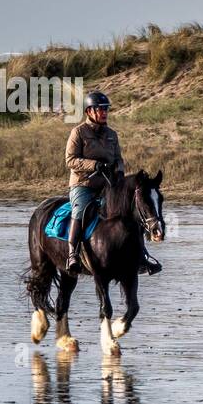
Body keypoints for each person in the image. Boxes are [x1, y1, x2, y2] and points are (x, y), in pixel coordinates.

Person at [63, 91, 161, 276]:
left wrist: (118, 170)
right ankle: (72, 254)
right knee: (81, 210)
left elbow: (119, 159)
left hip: (108, 185)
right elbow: (70, 160)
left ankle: (142, 255)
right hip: (83, 184)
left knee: (130, 211)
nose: (104, 113)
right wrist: (95, 165)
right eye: (100, 109)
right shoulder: (78, 132)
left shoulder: (111, 135)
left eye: (106, 109)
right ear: (89, 111)